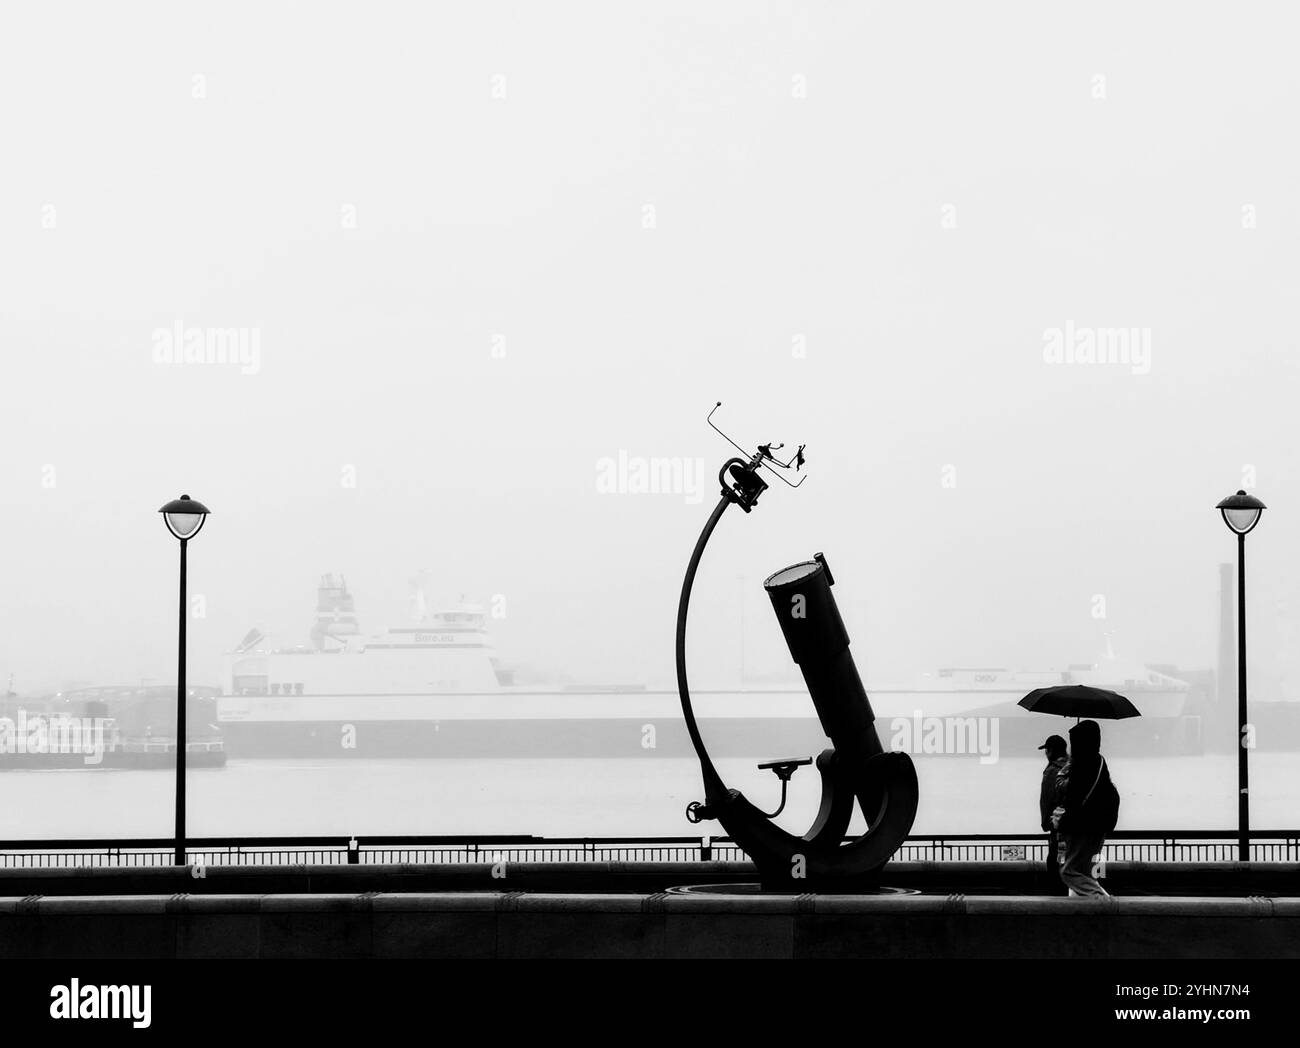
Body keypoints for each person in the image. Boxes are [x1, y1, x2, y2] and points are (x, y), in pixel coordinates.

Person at [1054, 719, 1117, 897]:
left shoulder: (1082, 764)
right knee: (1084, 871)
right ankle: (1095, 905)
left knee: (1069, 871)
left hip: (1083, 825)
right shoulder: (1099, 761)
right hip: (1099, 823)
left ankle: (1101, 902)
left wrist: (1065, 770)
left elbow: (1068, 790)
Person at [1037, 735, 1069, 889]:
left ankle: (1057, 898)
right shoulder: (1074, 766)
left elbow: (1046, 799)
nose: (1045, 754)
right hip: (1075, 828)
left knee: (1055, 862)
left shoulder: (1052, 771)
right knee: (1067, 863)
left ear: (1050, 751)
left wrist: (1046, 823)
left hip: (1057, 827)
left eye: (1046, 750)